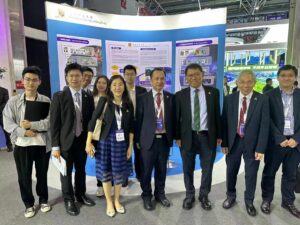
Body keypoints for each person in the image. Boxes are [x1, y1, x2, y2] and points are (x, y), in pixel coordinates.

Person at [3, 66, 52, 218]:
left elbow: (49, 122)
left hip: (42, 144)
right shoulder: (13, 101)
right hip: (22, 145)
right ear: (23, 81)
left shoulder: (46, 100)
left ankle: (43, 200)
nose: (31, 83)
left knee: (42, 174)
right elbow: (7, 123)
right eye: (28, 79)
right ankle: (29, 204)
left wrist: (32, 125)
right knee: (24, 176)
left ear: (39, 82)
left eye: (34, 80)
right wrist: (24, 131)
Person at [221, 70, 269, 217]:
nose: (246, 85)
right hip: (234, 142)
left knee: (251, 174)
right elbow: (225, 122)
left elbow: (264, 125)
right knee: (231, 172)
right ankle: (230, 196)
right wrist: (224, 143)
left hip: (253, 145)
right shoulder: (230, 99)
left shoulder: (262, 99)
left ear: (254, 83)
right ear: (237, 83)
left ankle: (249, 201)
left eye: (249, 82)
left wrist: (261, 147)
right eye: (242, 82)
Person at [86, 75, 134, 218]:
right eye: (114, 85)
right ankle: (109, 202)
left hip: (122, 143)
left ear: (124, 86)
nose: (117, 87)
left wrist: (130, 145)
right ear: (110, 87)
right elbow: (93, 121)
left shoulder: (127, 104)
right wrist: (88, 142)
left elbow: (132, 126)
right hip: (105, 142)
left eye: (120, 84)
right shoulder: (104, 101)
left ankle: (117, 200)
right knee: (106, 173)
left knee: (118, 173)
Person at [51, 63, 95, 216]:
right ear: (66, 78)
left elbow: (90, 121)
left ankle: (80, 194)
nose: (75, 78)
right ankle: (68, 199)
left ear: (83, 78)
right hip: (65, 142)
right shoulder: (59, 96)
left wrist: (91, 142)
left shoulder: (87, 96)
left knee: (81, 170)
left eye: (77, 75)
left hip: (82, 141)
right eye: (71, 76)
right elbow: (54, 123)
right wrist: (55, 146)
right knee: (66, 172)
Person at [175, 63, 221, 210]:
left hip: (207, 137)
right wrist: (178, 137)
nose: (193, 77)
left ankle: (204, 195)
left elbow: (216, 116)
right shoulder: (180, 95)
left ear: (202, 75)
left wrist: (219, 135)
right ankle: (189, 195)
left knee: (207, 169)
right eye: (190, 75)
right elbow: (177, 118)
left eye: (196, 74)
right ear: (186, 78)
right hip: (188, 137)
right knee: (187, 168)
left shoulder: (213, 92)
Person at [261, 65, 300, 219]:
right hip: (276, 143)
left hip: (295, 144)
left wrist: (296, 139)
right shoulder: (268, 96)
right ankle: (266, 200)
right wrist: (280, 138)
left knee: (290, 175)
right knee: (269, 173)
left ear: (295, 78)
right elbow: (267, 120)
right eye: (283, 75)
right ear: (278, 77)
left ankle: (288, 202)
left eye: (290, 75)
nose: (286, 78)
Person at [136, 68, 175, 211]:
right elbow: (138, 120)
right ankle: (146, 195)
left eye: (162, 79)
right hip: (147, 140)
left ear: (165, 80)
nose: (159, 81)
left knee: (161, 170)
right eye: (156, 79)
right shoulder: (143, 98)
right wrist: (138, 140)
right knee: (146, 171)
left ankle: (160, 194)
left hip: (164, 140)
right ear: (151, 80)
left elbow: (174, 120)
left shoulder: (171, 98)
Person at [123, 64, 147, 183]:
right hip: (124, 127)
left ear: (135, 75)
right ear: (124, 75)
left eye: (132, 74)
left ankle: (139, 173)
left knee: (139, 151)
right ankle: (125, 176)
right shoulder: (120, 90)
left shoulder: (142, 90)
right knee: (124, 151)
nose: (130, 76)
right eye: (127, 74)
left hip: (139, 126)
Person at [92, 75, 109, 197]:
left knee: (109, 159)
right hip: (95, 132)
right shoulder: (90, 98)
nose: (101, 85)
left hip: (108, 132)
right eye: (99, 82)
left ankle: (109, 184)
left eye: (104, 83)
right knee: (99, 160)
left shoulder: (110, 98)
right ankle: (99, 185)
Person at [0, 86, 13, 152]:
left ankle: (9, 146)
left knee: (6, 130)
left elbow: (6, 102)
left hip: (2, 114)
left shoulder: (4, 90)